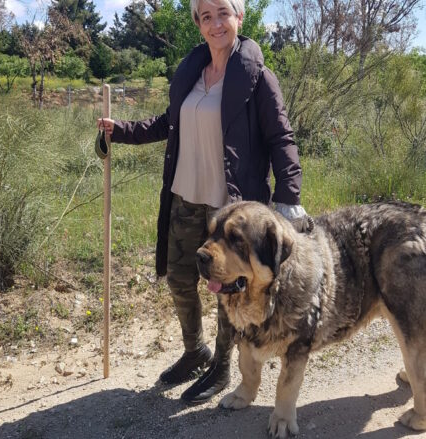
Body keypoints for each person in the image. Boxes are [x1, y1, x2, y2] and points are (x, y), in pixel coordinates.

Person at [97, 0, 308, 405]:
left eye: (223, 13)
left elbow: (282, 139)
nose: (215, 24)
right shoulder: (192, 73)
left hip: (229, 209)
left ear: (239, 17)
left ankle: (223, 366)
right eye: (206, 16)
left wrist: (289, 196)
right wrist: (119, 130)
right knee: (178, 279)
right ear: (198, 23)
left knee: (228, 290)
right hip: (184, 196)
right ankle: (196, 352)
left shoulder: (257, 78)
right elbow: (168, 122)